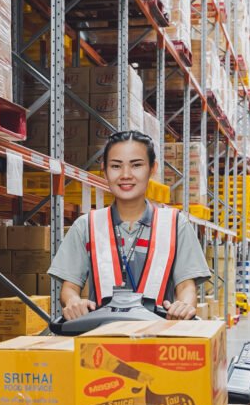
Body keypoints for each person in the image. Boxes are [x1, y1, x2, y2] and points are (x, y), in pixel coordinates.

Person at [47, 130, 211, 320]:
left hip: (159, 333)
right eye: (116, 166)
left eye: (136, 165)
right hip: (101, 334)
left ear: (152, 168)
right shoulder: (86, 226)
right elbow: (69, 288)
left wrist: (184, 305)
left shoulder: (175, 224)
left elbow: (186, 287)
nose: (125, 175)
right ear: (104, 170)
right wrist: (73, 301)